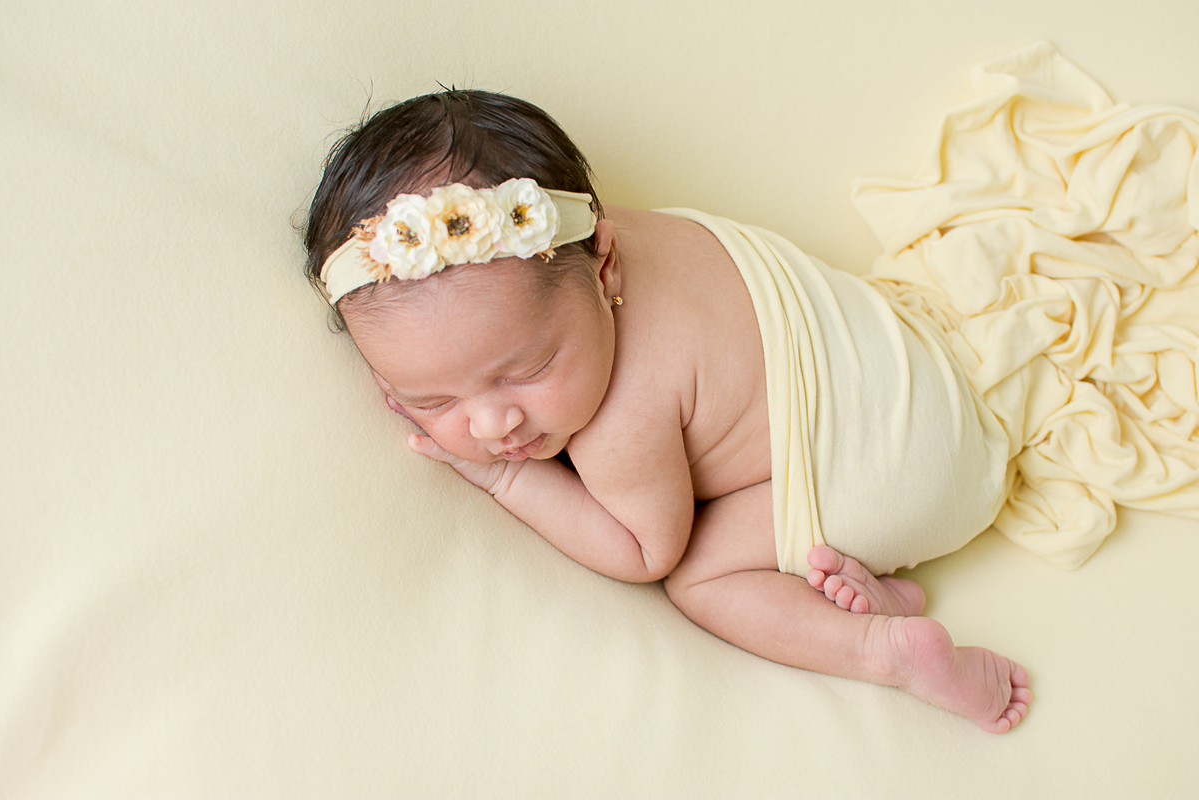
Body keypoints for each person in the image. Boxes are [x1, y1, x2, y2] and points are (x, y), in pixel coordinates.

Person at [302, 56, 1199, 733]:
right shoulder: (601, 244)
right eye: (427, 401)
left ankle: (887, 651)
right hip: (906, 352)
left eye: (525, 370)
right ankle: (875, 585)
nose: (492, 421)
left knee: (701, 578)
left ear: (600, 263)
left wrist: (507, 483)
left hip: (921, 465)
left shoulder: (619, 419)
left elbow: (641, 549)